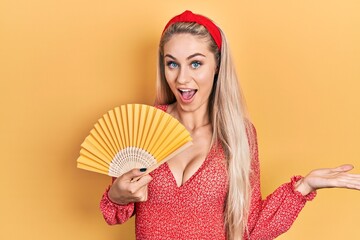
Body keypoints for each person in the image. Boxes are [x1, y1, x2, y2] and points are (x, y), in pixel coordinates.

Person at [99, 10, 360, 240]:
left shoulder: (238, 135)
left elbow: (250, 229)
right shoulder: (143, 128)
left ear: (217, 66)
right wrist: (116, 197)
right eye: (172, 64)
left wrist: (304, 187)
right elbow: (114, 214)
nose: (182, 77)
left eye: (196, 63)